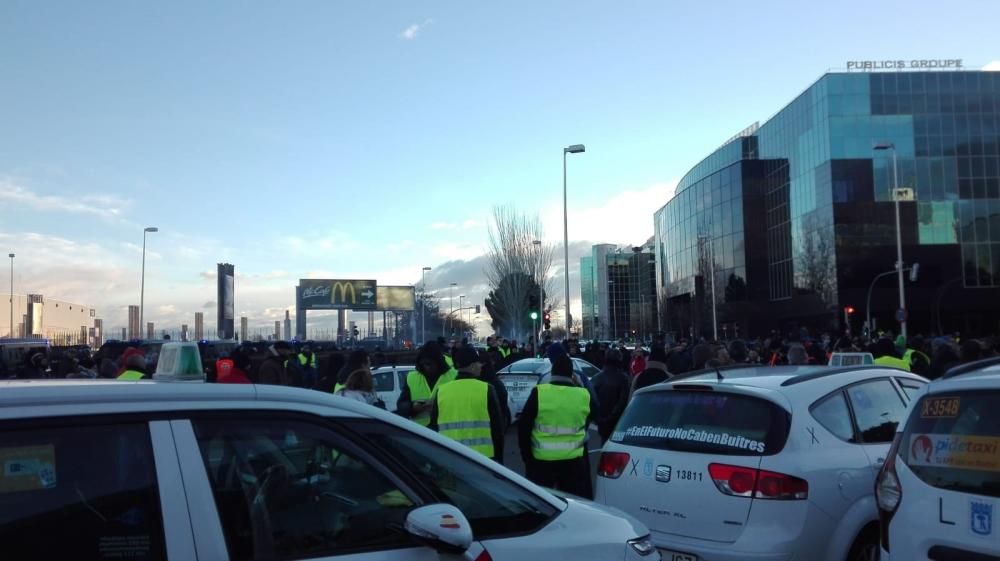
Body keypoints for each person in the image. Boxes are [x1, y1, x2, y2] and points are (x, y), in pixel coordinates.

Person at [518, 354, 595, 499]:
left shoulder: (539, 392)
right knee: (573, 504)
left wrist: (527, 457)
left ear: (552, 372)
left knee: (541, 506)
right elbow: (593, 417)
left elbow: (523, 428)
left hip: (542, 463)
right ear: (572, 375)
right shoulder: (583, 394)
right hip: (573, 463)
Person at [430, 346, 505, 462]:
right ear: (472, 365)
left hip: (450, 457)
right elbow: (497, 431)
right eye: (478, 363)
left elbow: (434, 427)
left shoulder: (442, 391)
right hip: (483, 460)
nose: (481, 366)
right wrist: (499, 462)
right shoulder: (487, 389)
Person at [397, 342, 458, 427]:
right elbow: (401, 405)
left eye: (430, 364)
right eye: (424, 364)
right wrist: (412, 407)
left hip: (445, 431)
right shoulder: (412, 377)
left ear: (438, 362)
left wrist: (439, 405)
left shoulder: (454, 376)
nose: (427, 367)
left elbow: (460, 404)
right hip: (421, 433)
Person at [591, 349, 631, 443]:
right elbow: (623, 402)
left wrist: (599, 419)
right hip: (617, 421)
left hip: (603, 421)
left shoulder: (597, 378)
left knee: (604, 446)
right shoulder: (623, 378)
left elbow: (592, 400)